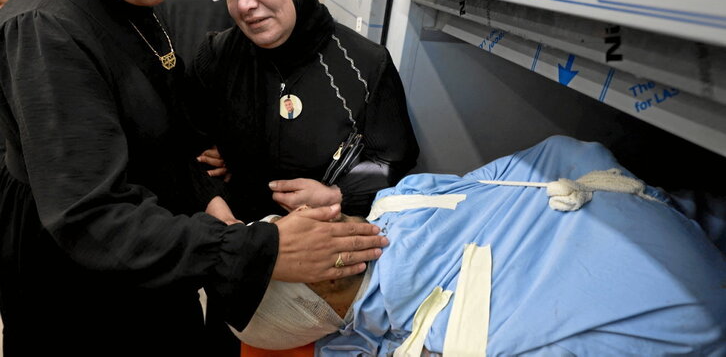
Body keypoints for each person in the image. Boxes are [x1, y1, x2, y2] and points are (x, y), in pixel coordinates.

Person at [0, 0, 387, 356]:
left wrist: (333, 196)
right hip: (85, 295)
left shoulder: (129, 6)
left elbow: (175, 133)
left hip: (173, 263)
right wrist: (253, 245)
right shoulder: (46, 28)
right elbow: (92, 217)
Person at [235, 135, 726, 356]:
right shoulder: (443, 331)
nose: (303, 213)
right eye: (293, 230)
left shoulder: (397, 204)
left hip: (654, 221)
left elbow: (495, 180)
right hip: (686, 290)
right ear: (325, 275)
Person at [186, 0, 419, 355]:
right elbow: (182, 150)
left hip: (322, 289)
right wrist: (214, 206)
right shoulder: (216, 59)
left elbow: (395, 164)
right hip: (239, 270)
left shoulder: (363, 65)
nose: (245, 3)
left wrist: (339, 194)